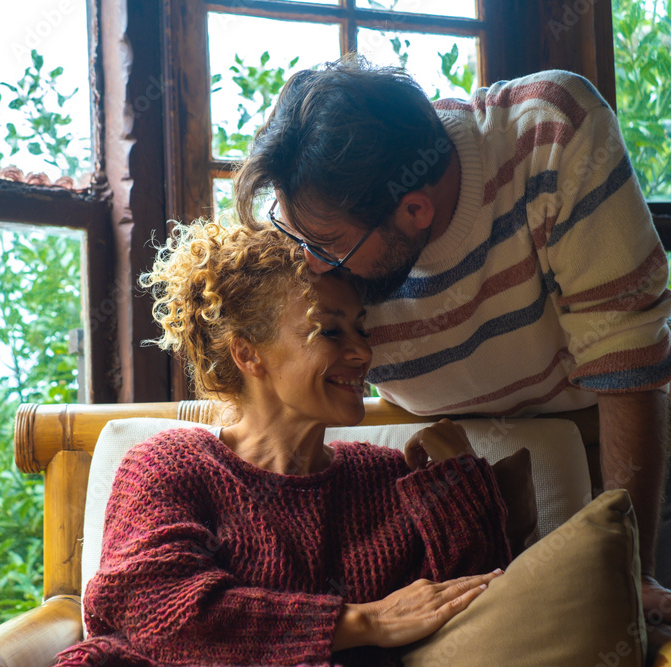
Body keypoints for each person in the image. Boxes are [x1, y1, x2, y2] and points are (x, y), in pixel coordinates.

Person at [233, 54, 671, 637]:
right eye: (294, 233)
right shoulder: (321, 219)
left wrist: (631, 570)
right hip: (445, 457)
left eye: (328, 247)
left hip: (606, 436)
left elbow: (626, 363)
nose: (310, 264)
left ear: (415, 210)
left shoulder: (551, 132)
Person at [54, 222, 510, 666]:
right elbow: (160, 614)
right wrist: (363, 622)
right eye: (330, 331)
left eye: (361, 329)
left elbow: (477, 611)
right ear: (248, 353)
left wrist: (459, 480)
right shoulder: (168, 465)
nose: (362, 352)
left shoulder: (387, 478)